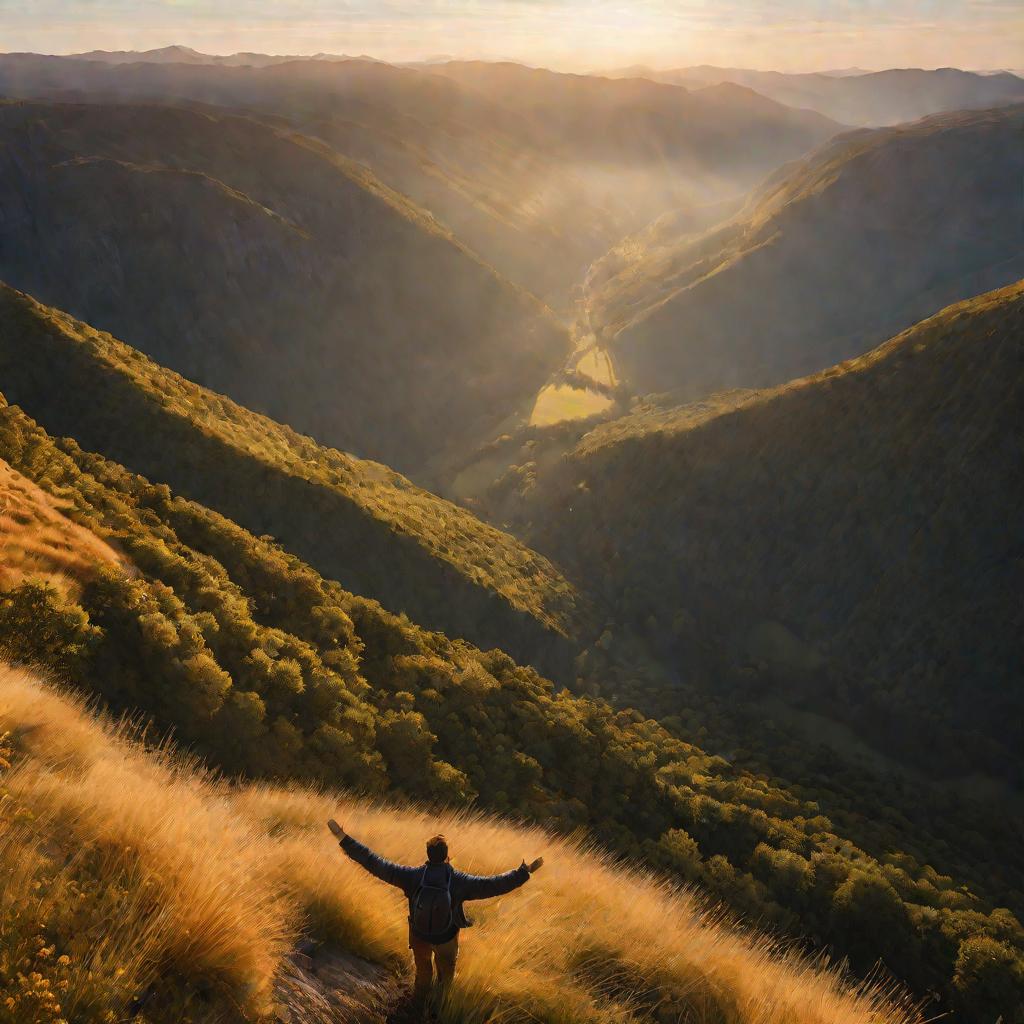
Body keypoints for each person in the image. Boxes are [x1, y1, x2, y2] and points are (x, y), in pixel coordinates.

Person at [327, 819, 542, 1007]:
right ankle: (440, 1008)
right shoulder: (459, 882)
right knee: (445, 978)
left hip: (419, 935)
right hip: (446, 938)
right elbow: (494, 885)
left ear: (428, 855)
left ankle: (418, 1004)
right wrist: (523, 873)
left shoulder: (411, 876)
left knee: (423, 973)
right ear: (448, 856)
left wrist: (343, 838)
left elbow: (374, 862)